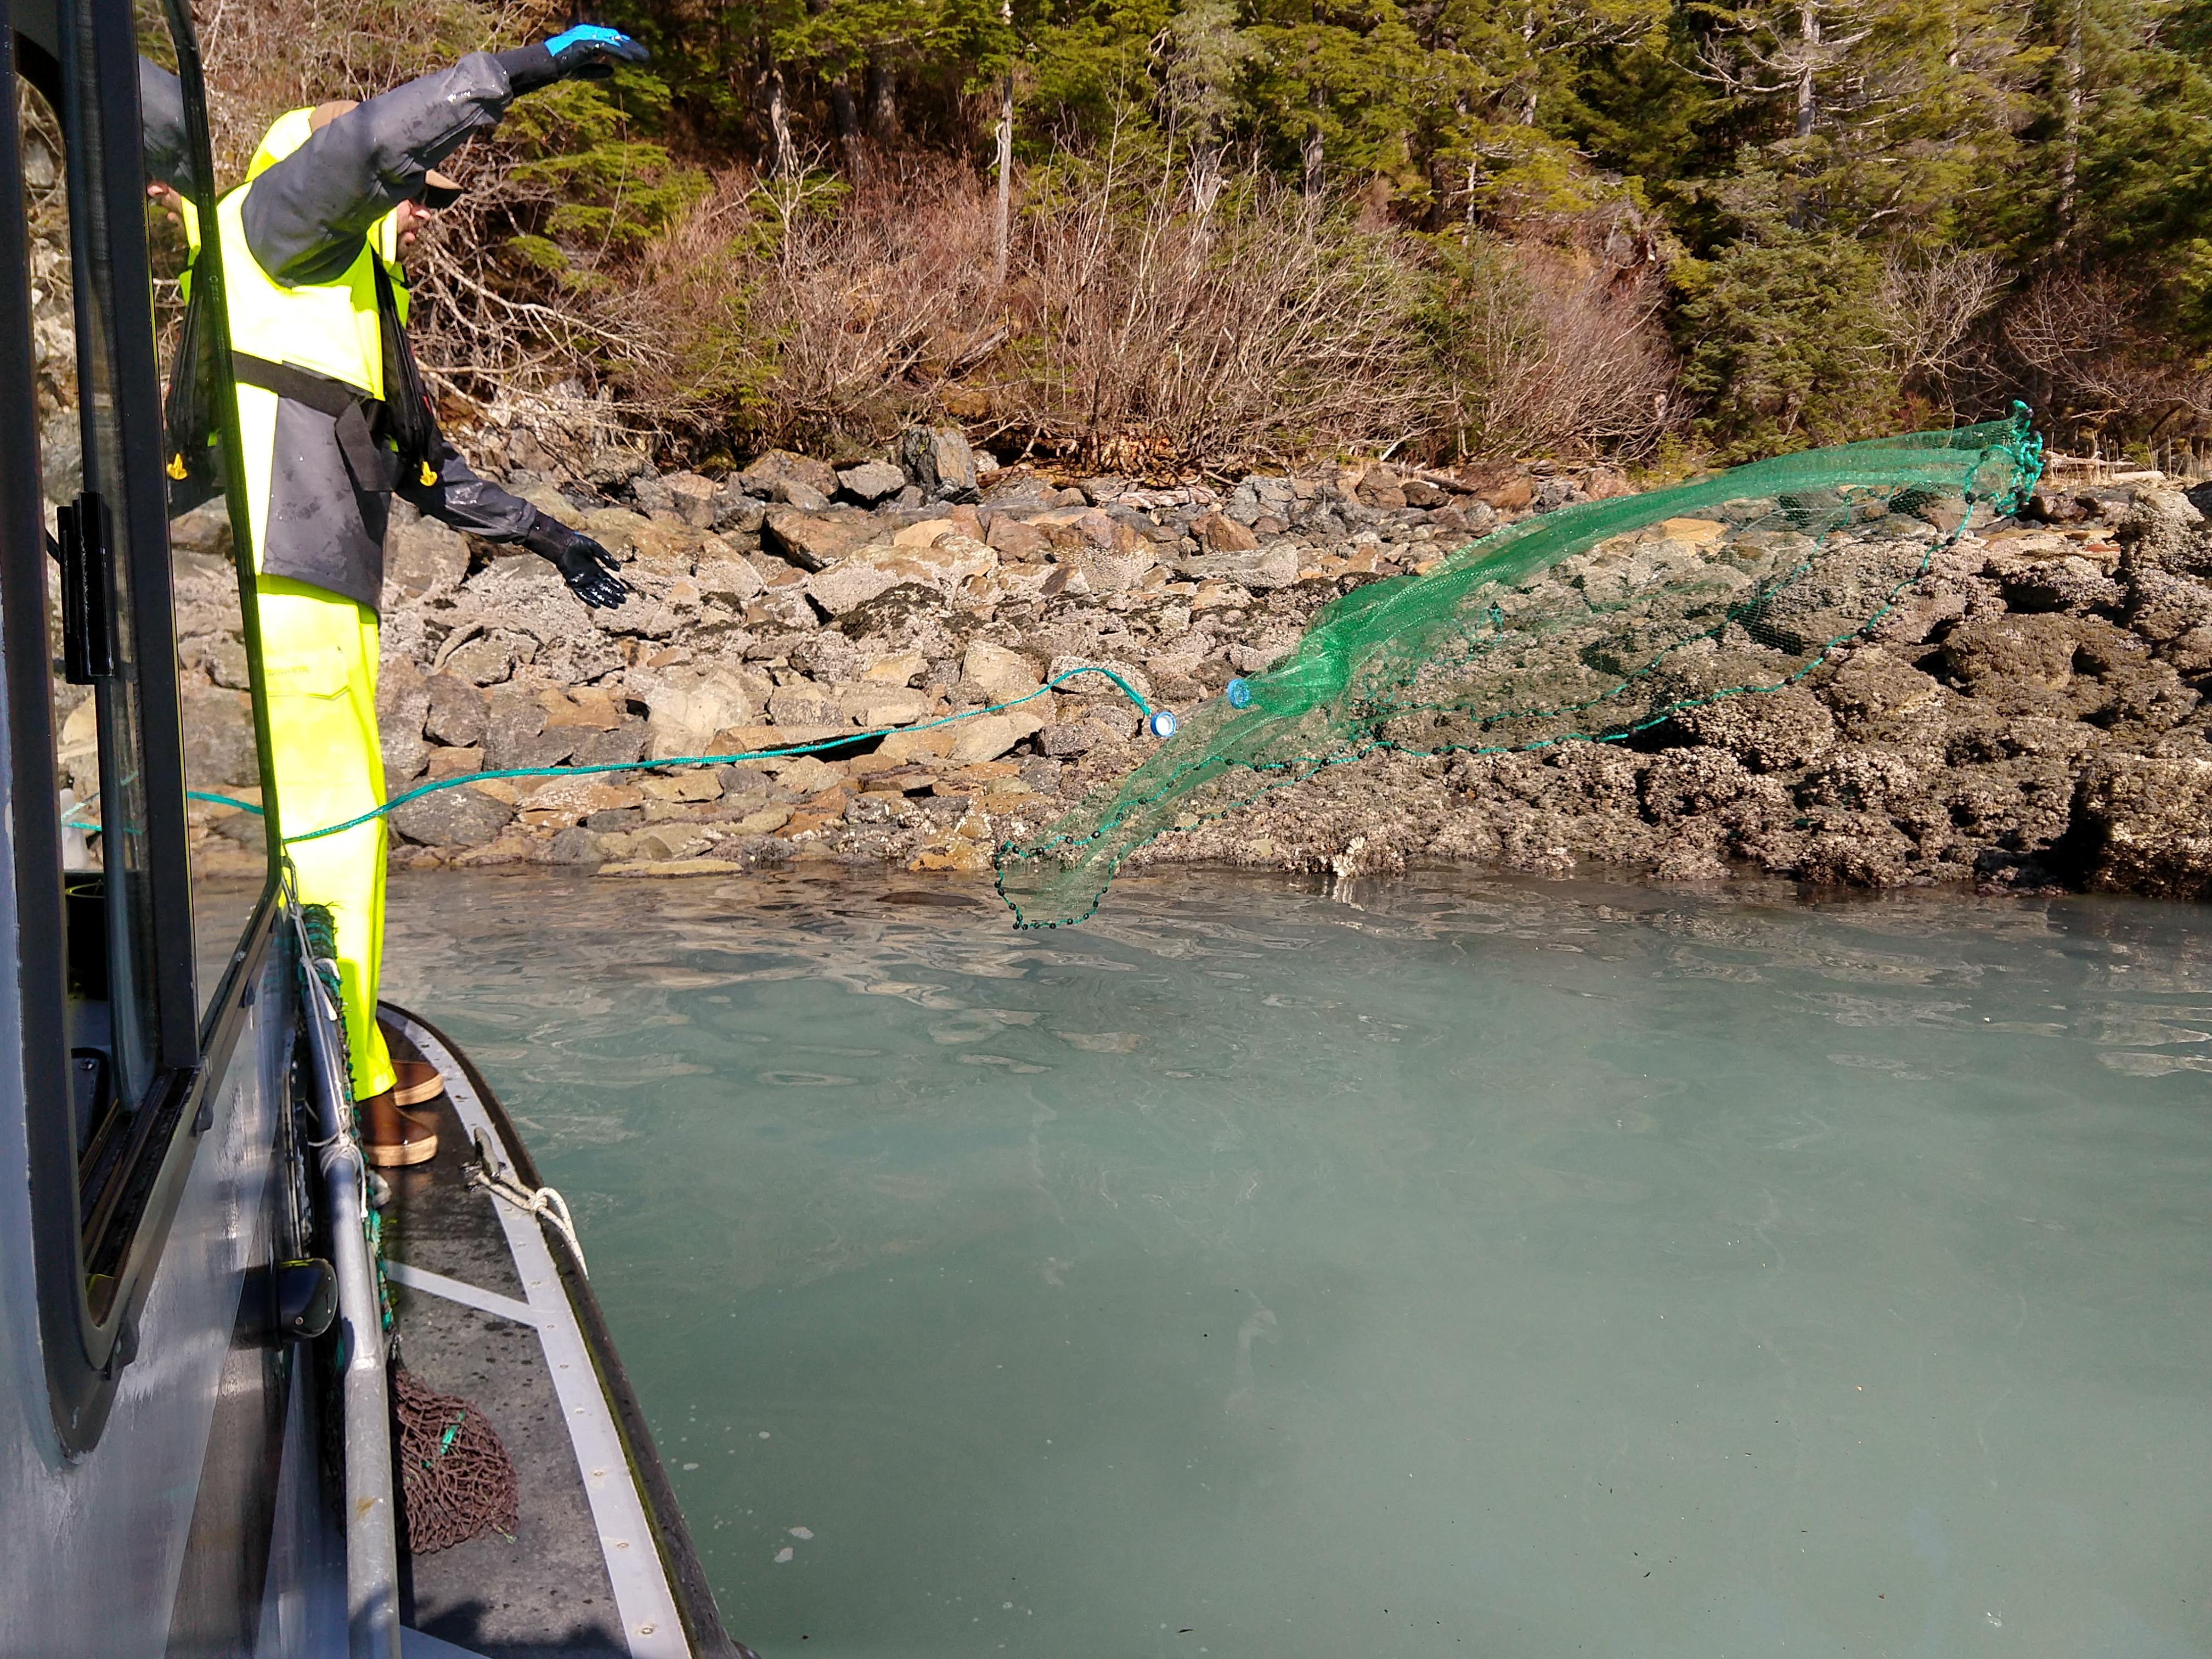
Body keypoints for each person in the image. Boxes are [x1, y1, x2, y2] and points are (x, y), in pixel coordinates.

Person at [211, 30, 645, 1164]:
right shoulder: (283, 225)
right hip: (292, 575)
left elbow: (433, 476)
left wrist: (557, 540)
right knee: (334, 833)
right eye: (416, 193)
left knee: (342, 827)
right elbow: (368, 145)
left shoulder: (352, 294)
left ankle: (333, 1044)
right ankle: (342, 1084)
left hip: (327, 586)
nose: (423, 212)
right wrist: (518, 73)